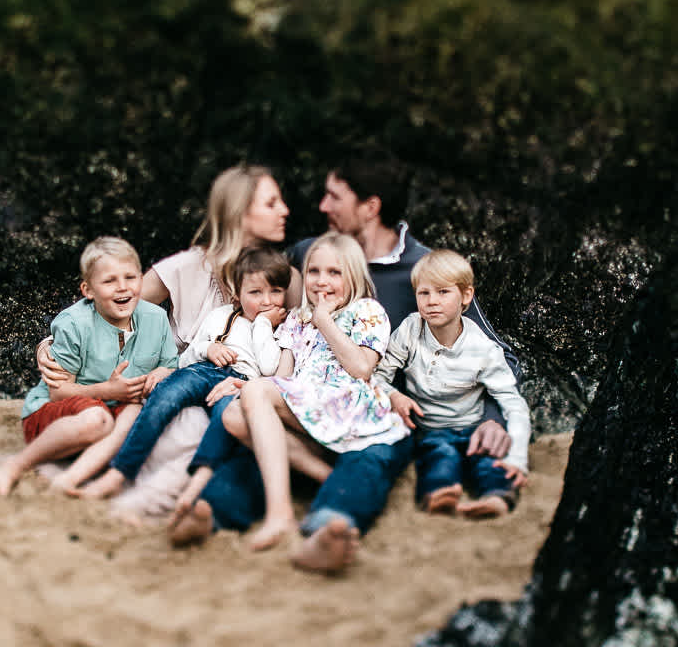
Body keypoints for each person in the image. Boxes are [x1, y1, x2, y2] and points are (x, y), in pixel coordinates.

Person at [185, 157, 527, 571]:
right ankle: (214, 511)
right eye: (315, 272)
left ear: (370, 207)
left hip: (380, 408)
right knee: (251, 427)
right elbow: (264, 299)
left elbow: (494, 352)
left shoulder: (424, 272)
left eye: (334, 197)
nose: (322, 206)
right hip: (310, 401)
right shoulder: (309, 253)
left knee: (368, 458)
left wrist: (492, 415)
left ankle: (332, 526)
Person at [31, 165, 290, 504]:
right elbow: (106, 304)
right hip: (173, 385)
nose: (285, 210)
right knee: (185, 422)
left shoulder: (285, 277)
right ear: (239, 211)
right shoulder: (186, 267)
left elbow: (298, 348)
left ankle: (171, 500)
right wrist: (49, 344)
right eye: (271, 203)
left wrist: (254, 386)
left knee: (226, 425)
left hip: (240, 391)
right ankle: (126, 487)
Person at [169, 232, 408, 555]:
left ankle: (283, 514)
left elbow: (361, 368)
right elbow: (281, 376)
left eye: (334, 273)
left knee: (253, 402)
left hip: (349, 409)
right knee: (234, 413)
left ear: (353, 275)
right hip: (306, 409)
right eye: (314, 272)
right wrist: (245, 387)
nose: (321, 281)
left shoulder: (366, 310)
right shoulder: (296, 319)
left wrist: (324, 319)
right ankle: (311, 476)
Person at [72, 246, 291, 500]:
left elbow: (268, 367)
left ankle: (197, 485)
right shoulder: (222, 316)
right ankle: (120, 472)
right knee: (166, 395)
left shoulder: (282, 329)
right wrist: (208, 348)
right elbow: (186, 357)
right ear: (237, 293)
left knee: (226, 419)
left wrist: (264, 323)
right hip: (204, 370)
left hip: (239, 383)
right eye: (255, 292)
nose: (266, 301)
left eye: (275, 291)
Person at [0, 237, 178, 496]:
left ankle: (71, 479)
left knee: (133, 412)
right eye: (109, 281)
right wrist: (108, 391)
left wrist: (161, 372)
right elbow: (58, 391)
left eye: (130, 278)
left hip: (117, 412)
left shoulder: (156, 318)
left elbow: (170, 365)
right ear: (88, 290)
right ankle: (14, 466)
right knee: (98, 420)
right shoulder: (74, 323)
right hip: (59, 413)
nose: (123, 288)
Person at [377, 249, 531, 517]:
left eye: (443, 292)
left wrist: (517, 457)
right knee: (439, 454)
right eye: (424, 293)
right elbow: (379, 375)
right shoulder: (411, 330)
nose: (432, 301)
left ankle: (496, 498)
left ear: (466, 296)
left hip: (473, 427)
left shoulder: (482, 349)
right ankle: (441, 494)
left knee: (489, 460)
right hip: (431, 428)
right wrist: (393, 396)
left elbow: (513, 404)